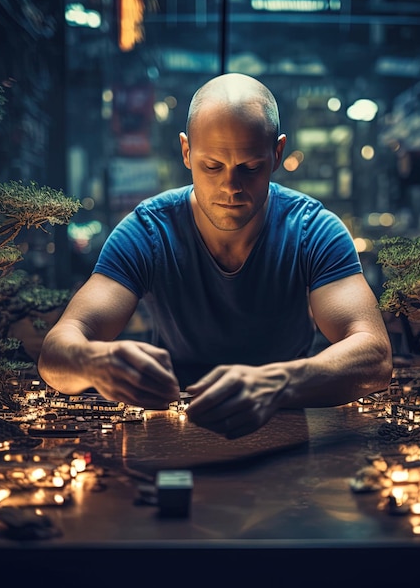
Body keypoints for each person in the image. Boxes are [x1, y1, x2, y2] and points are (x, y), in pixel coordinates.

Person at [38, 73, 393, 439]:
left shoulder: (312, 229)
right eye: (212, 166)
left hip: (286, 433)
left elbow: (375, 356)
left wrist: (278, 383)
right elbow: (56, 353)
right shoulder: (148, 231)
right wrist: (97, 363)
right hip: (172, 428)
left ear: (277, 154)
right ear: (186, 152)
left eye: (250, 167)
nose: (230, 187)